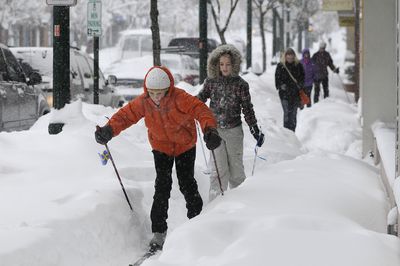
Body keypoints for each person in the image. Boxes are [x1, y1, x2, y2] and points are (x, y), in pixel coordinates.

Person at [95, 66, 221, 252]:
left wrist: (209, 130)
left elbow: (200, 110)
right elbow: (126, 115)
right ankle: (159, 232)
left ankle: (197, 222)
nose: (156, 97)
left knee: (187, 183)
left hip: (184, 145)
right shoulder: (144, 101)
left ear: (168, 89)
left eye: (160, 93)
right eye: (152, 93)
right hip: (161, 147)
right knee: (162, 186)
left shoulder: (180, 97)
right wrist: (109, 130)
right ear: (147, 91)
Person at [197, 44, 264, 201]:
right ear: (216, 64)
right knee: (218, 172)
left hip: (234, 132)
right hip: (215, 133)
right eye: (221, 64)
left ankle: (239, 204)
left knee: (236, 171)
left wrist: (254, 128)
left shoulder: (241, 85)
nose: (224, 68)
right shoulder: (211, 82)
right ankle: (214, 206)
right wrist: (187, 108)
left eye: (228, 64)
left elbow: (247, 108)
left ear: (234, 65)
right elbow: (200, 100)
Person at [275, 48, 305, 132]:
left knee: (293, 114)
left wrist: (300, 85)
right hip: (284, 94)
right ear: (285, 57)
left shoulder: (299, 65)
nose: (290, 59)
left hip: (295, 94)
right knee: (287, 113)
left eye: (291, 57)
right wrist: (281, 85)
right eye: (288, 57)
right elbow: (277, 80)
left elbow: (302, 78)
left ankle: (292, 132)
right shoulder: (280, 66)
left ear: (294, 57)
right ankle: (286, 134)